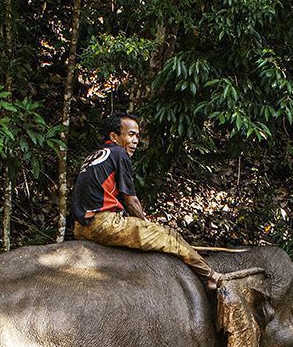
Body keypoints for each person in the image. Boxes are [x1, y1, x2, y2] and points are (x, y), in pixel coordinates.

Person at [70, 112, 225, 288]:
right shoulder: (119, 154)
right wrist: (147, 226)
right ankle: (211, 277)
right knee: (171, 236)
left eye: (137, 135)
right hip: (104, 224)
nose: (136, 140)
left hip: (80, 227)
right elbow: (131, 201)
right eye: (131, 134)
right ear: (114, 136)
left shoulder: (93, 157)